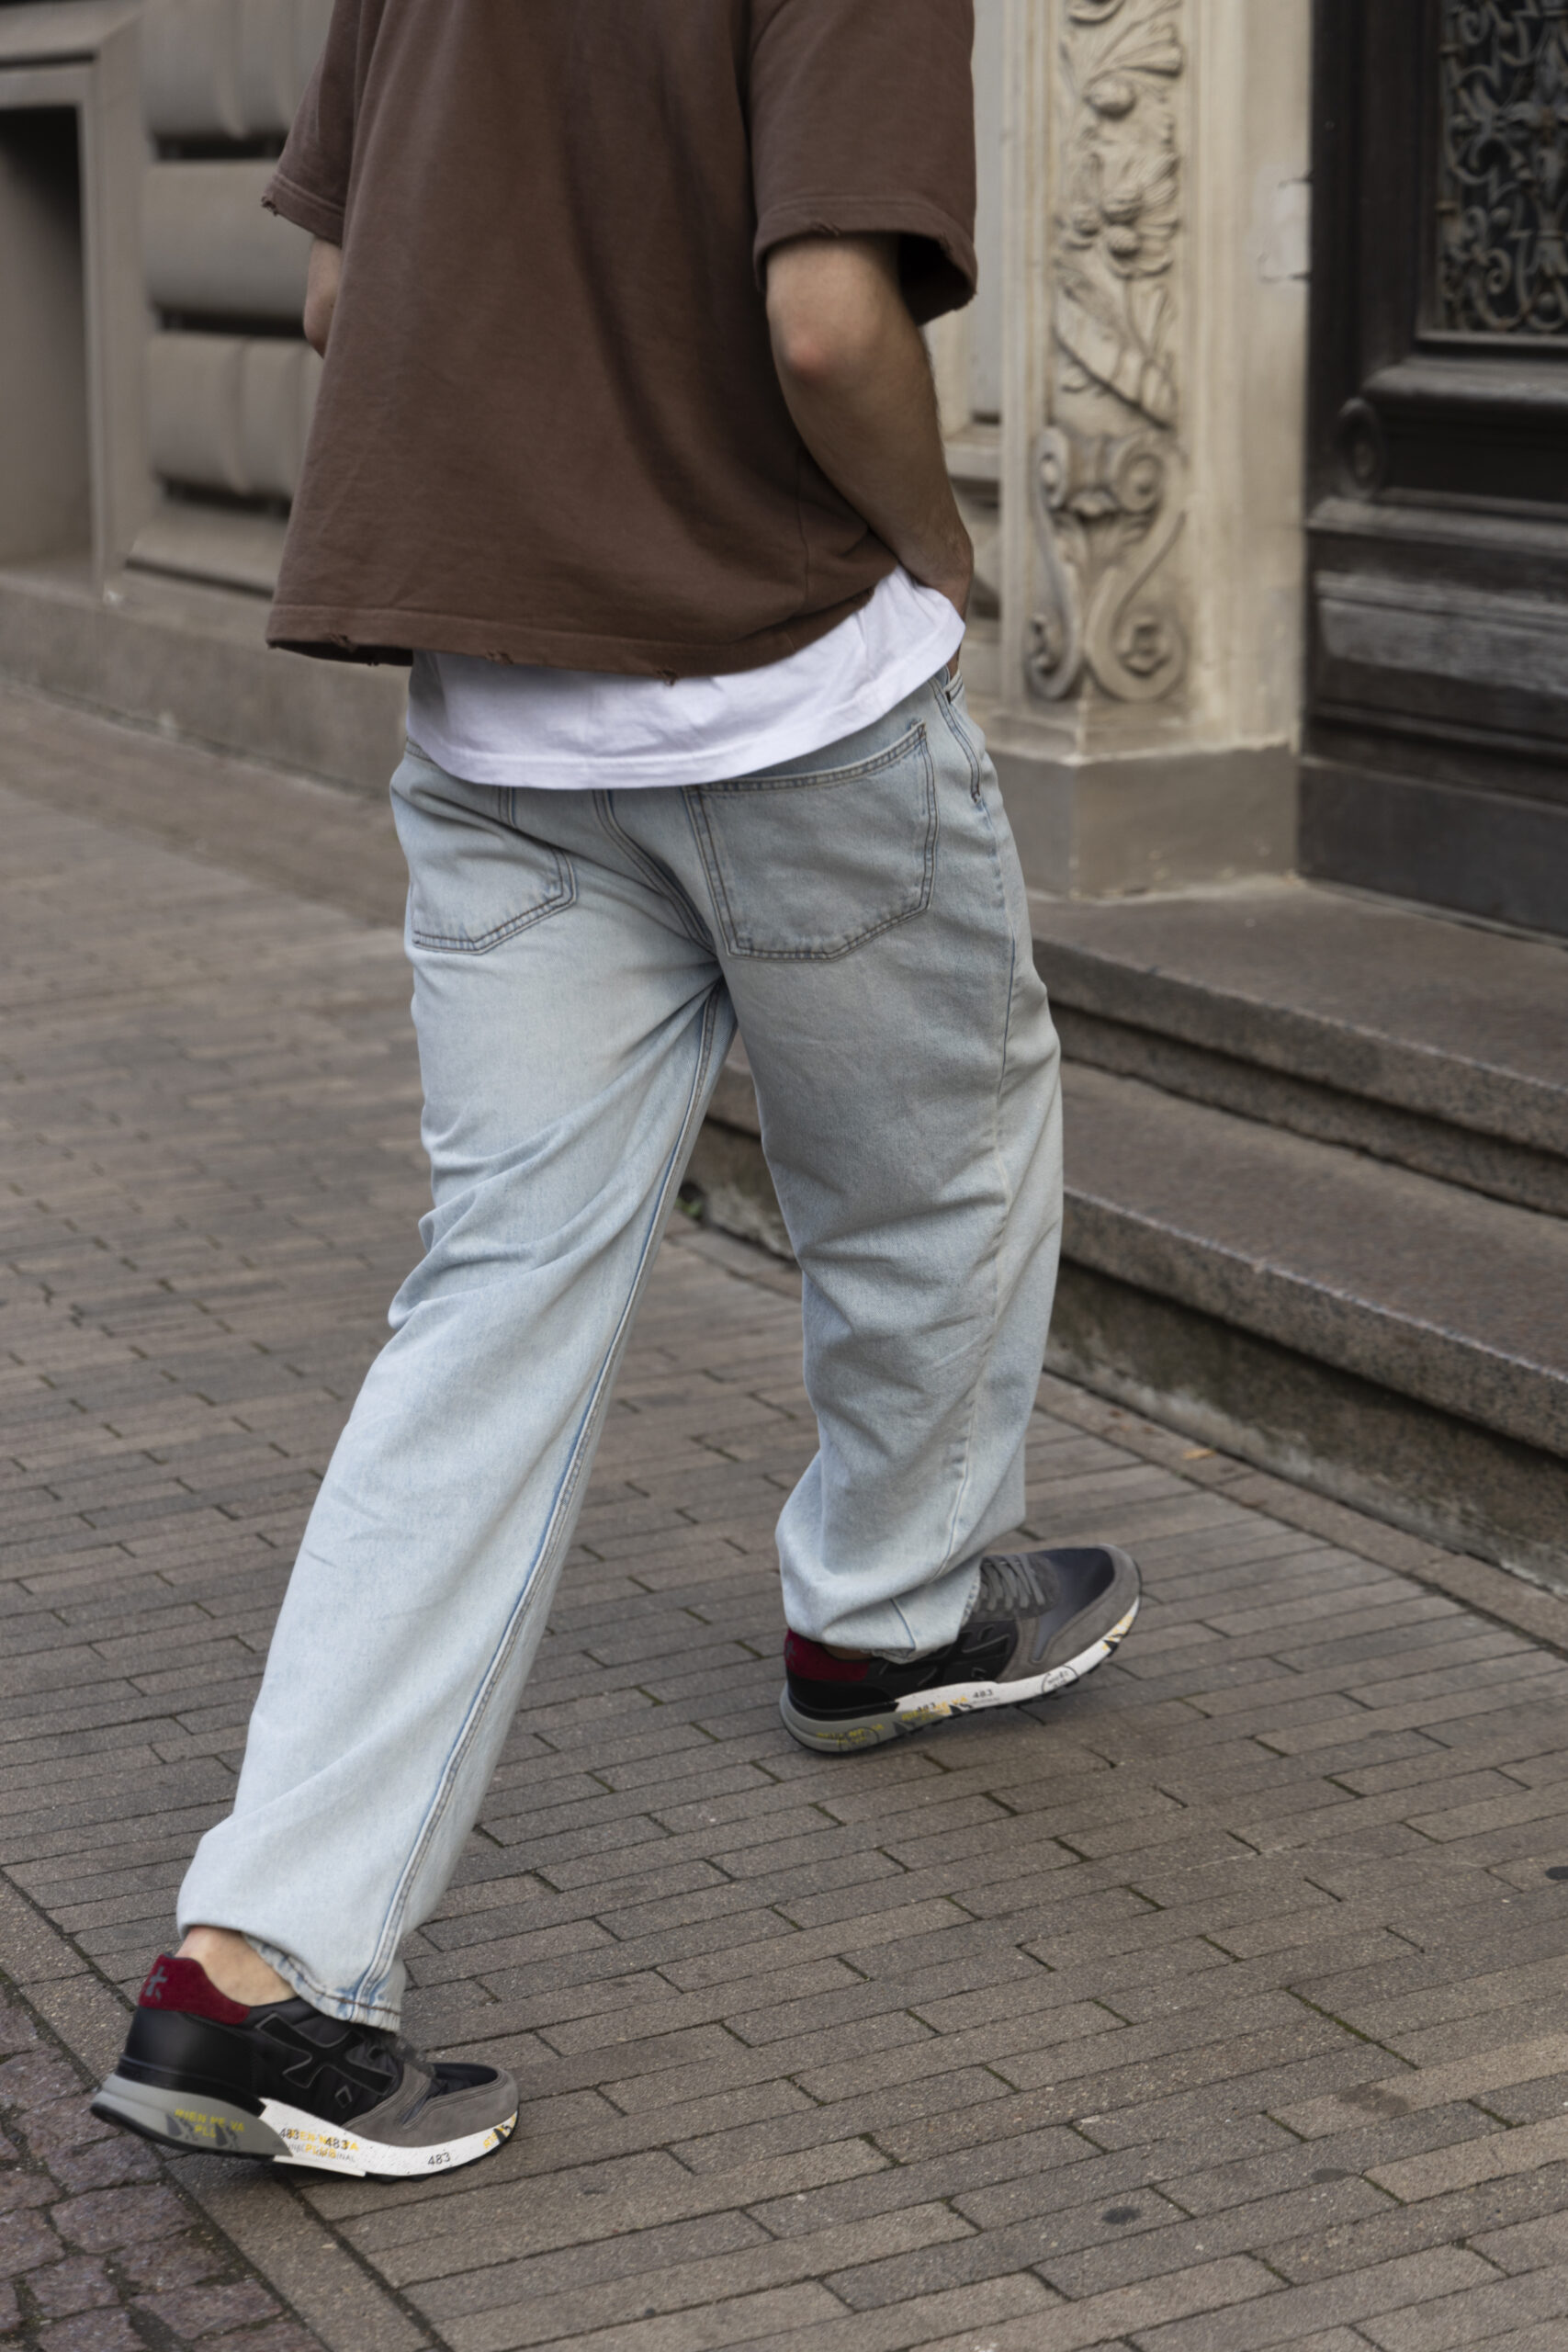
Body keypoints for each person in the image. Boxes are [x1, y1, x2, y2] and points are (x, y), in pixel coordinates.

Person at [92, 0, 1140, 2183]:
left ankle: (259, 1956)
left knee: (492, 1298)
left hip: (496, 727)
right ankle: (882, 1611)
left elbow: (341, 297)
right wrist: (936, 548)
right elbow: (829, 329)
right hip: (792, 706)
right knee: (937, 1169)